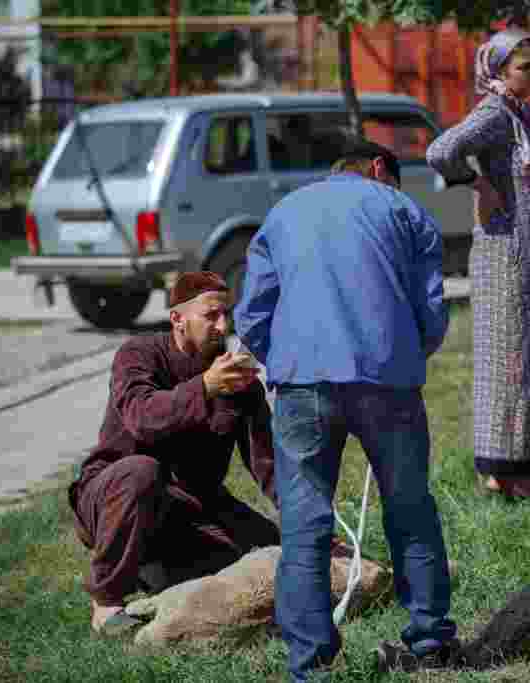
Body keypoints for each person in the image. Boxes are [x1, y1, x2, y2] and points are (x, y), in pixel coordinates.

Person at [234, 137, 457, 681]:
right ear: (380, 168)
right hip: (388, 381)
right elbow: (431, 312)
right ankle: (429, 641)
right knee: (409, 507)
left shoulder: (284, 212)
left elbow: (253, 312)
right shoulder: (404, 210)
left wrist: (282, 364)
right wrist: (402, 356)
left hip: (302, 383)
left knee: (305, 523)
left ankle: (310, 664)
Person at [68, 271, 280, 636]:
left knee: (270, 549)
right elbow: (143, 418)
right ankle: (107, 601)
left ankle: (158, 566)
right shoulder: (138, 355)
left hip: (192, 504)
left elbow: (269, 464)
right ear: (178, 320)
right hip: (116, 494)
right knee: (140, 473)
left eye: (225, 315)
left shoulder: (237, 381)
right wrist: (205, 387)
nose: (222, 325)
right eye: (210, 316)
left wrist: (308, 522)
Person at [426, 29, 530, 498]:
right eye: (523, 67)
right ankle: (510, 469)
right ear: (496, 71)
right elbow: (441, 151)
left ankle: (523, 463)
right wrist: (477, 185)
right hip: (509, 259)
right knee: (513, 362)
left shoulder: (522, 114)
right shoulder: (495, 113)